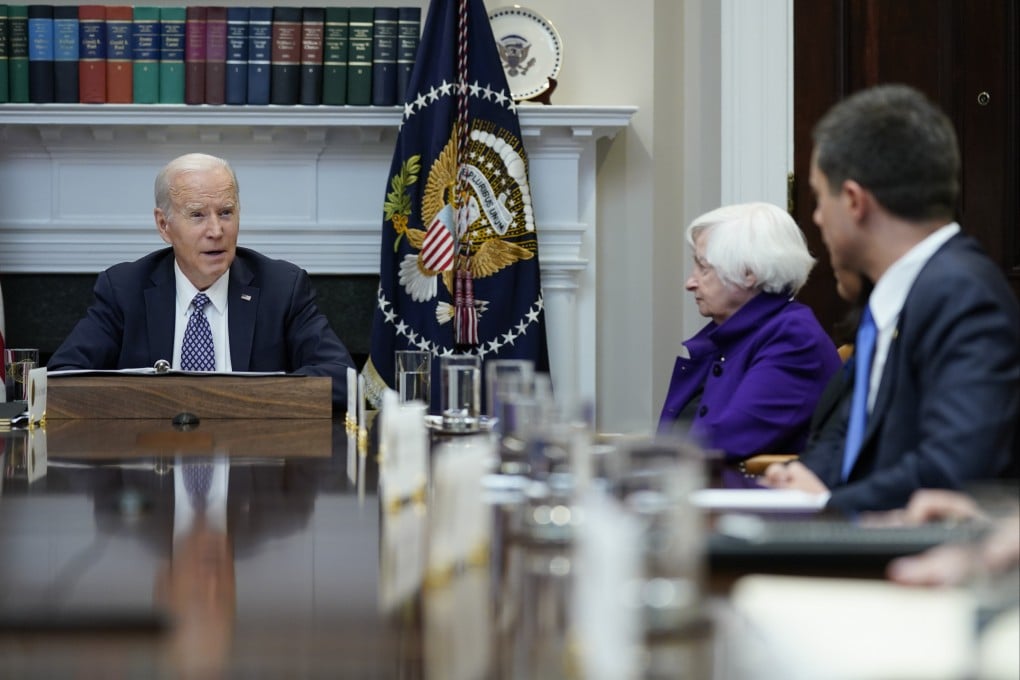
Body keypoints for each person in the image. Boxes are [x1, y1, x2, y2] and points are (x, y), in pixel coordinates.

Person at [764, 84, 1020, 512]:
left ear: (853, 201)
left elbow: (954, 471)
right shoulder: (897, 295)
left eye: (818, 197)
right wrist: (808, 477)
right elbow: (853, 433)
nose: (816, 217)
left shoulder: (962, 295)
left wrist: (826, 503)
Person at [47, 153, 355, 407]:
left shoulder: (281, 287)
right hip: (151, 469)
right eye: (197, 215)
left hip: (254, 464)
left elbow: (342, 378)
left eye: (225, 213)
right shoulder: (125, 288)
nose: (216, 231)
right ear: (163, 225)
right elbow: (62, 379)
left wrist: (242, 399)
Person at [658, 201, 842, 459]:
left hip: (755, 495)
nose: (690, 282)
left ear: (749, 274)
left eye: (704, 268)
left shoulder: (794, 338)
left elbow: (727, 441)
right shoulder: (728, 334)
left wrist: (645, 461)